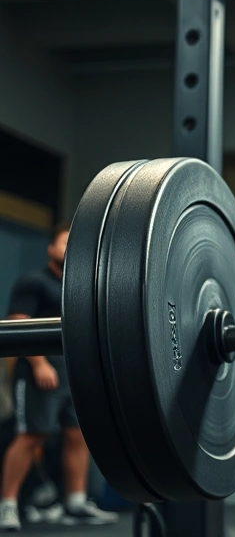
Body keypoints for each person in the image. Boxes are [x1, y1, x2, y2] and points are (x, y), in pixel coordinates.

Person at [0, 224, 119, 531]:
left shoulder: (77, 286)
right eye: (64, 244)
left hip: (74, 375)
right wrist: (39, 364)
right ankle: (8, 506)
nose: (69, 250)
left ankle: (75, 503)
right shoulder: (33, 282)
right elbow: (17, 326)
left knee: (77, 435)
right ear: (50, 249)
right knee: (32, 436)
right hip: (40, 374)